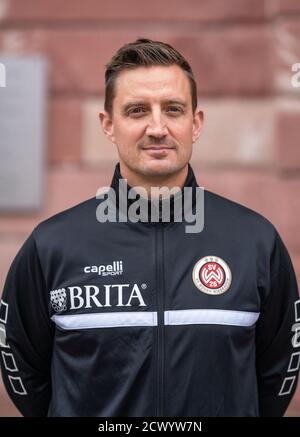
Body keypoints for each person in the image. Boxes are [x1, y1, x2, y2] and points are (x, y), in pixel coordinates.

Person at [0, 38, 299, 417]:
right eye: (137, 110)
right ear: (109, 125)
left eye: (173, 109)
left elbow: (277, 373)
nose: (157, 128)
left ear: (196, 123)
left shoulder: (255, 242)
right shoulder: (51, 246)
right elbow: (23, 370)